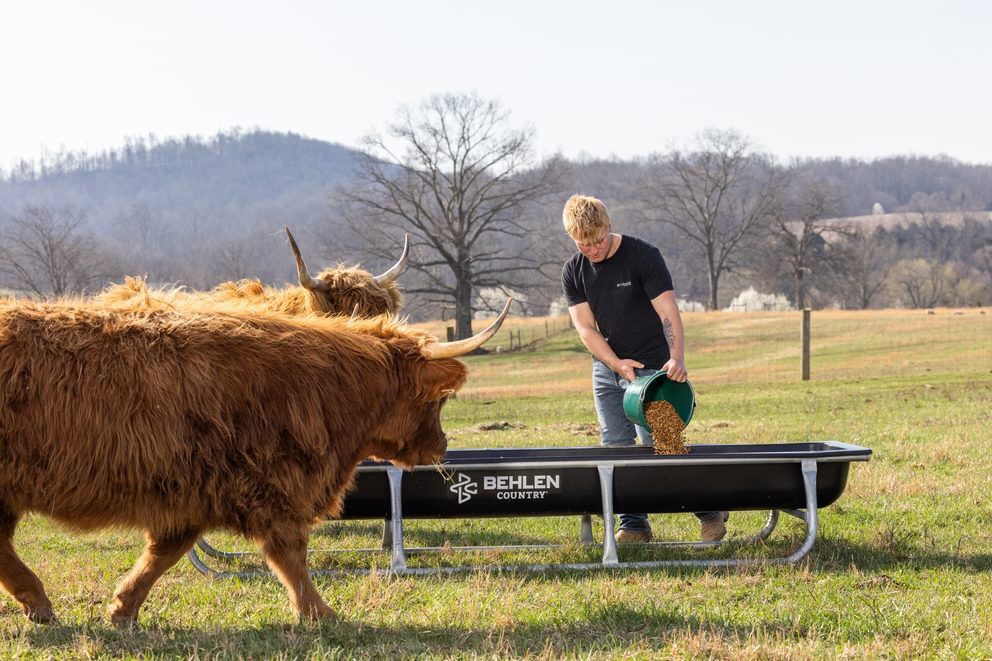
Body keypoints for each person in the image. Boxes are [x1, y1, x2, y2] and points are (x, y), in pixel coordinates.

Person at [560, 194, 728, 543]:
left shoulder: (642, 256)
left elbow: (668, 312)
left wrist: (677, 359)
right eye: (582, 244)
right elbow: (585, 329)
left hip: (655, 370)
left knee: (665, 444)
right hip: (608, 371)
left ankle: (710, 513)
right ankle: (634, 524)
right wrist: (616, 364)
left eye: (598, 241)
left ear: (609, 227)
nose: (591, 249)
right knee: (616, 446)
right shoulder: (573, 271)